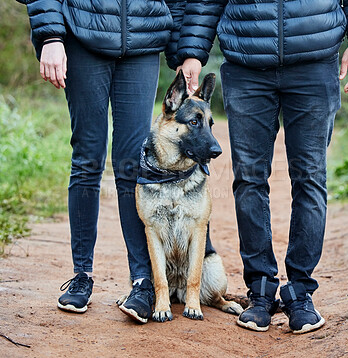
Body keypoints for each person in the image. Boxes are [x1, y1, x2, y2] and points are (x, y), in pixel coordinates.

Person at [175, 0, 348, 333]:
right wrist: (194, 51)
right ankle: (260, 292)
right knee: (249, 179)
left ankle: (300, 291)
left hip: (315, 60)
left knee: (310, 178)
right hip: (246, 64)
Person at [19, 0, 216, 323]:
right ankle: (82, 275)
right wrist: (51, 35)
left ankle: (142, 283)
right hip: (83, 33)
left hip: (143, 38)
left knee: (133, 164)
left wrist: (187, 50)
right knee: (87, 158)